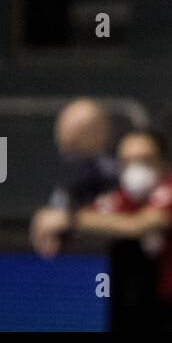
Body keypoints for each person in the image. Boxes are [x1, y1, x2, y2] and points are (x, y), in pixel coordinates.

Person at [69, 130, 172, 330]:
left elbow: (137, 226)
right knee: (124, 252)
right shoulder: (126, 198)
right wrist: (57, 222)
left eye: (144, 160)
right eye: (127, 162)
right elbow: (91, 215)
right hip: (155, 309)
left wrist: (69, 219)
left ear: (163, 163)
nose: (135, 169)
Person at [30, 98, 119, 256]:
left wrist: (69, 220)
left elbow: (122, 217)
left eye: (76, 129)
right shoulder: (69, 168)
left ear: (100, 132)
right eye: (62, 126)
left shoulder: (109, 172)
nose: (64, 134)